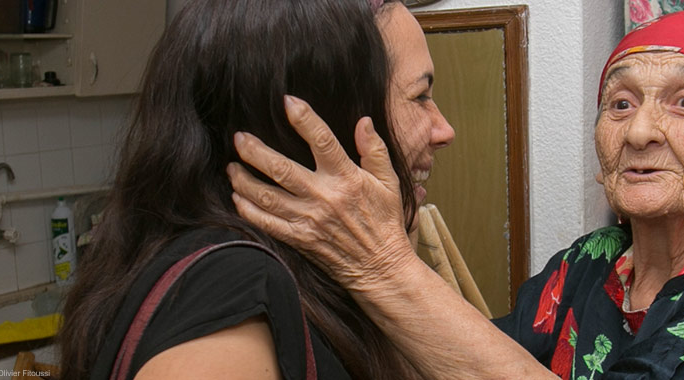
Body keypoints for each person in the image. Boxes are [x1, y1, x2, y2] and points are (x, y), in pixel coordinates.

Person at [229, 10, 684, 379]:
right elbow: (463, 362)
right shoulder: (589, 263)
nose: (642, 131)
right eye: (619, 103)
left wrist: (383, 266)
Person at [55, 0, 454, 378]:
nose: (444, 130)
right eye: (419, 97)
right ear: (319, 120)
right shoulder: (229, 294)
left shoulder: (310, 277)